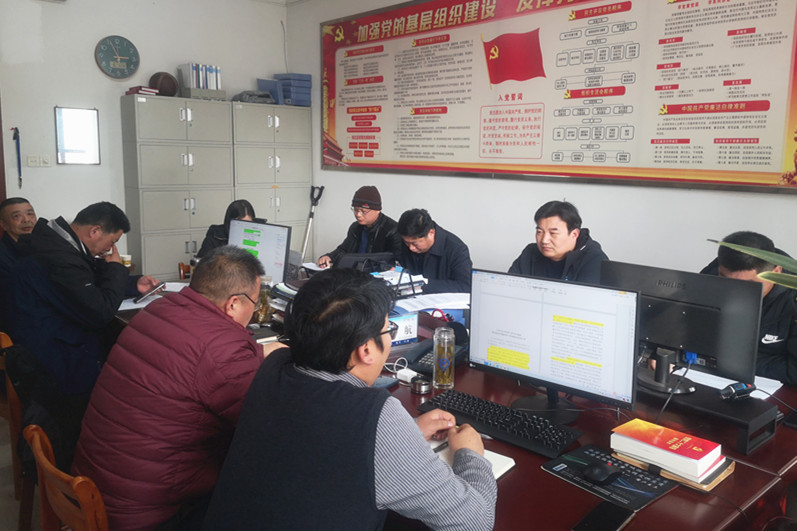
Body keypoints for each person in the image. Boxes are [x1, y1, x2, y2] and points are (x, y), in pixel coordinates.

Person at [202, 268, 496, 530]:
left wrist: (405, 435)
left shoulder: (274, 367)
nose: (390, 338)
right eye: (388, 329)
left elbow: (316, 443)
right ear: (366, 349)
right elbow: (474, 521)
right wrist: (469, 454)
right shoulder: (376, 414)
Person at [73, 245, 272, 530]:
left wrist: (253, 354)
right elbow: (262, 424)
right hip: (143, 513)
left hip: (95, 484)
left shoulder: (158, 309)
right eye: (255, 301)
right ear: (233, 304)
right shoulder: (222, 350)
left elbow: (197, 361)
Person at [8, 202, 160, 470]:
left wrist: (131, 283)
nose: (110, 250)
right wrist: (116, 269)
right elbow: (99, 312)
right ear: (95, 231)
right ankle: (93, 466)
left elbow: (85, 279)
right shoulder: (57, 257)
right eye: (112, 242)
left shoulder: (56, 242)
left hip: (45, 344)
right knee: (126, 375)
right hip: (52, 362)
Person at [701, 231, 797, 385]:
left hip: (772, 389)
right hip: (708, 377)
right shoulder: (712, 276)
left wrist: (728, 360)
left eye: (748, 285)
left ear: (776, 272)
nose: (735, 292)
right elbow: (688, 328)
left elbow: (794, 371)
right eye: (725, 280)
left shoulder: (793, 300)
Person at [509, 200, 607, 283]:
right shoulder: (530, 253)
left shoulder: (593, 259)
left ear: (574, 234)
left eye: (553, 233)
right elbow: (509, 286)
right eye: (539, 232)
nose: (544, 240)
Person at [316, 185, 403, 269]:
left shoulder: (393, 230)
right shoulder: (355, 227)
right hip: (355, 273)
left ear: (377, 210)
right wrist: (329, 257)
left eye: (363, 211)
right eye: (355, 209)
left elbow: (397, 262)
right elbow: (343, 250)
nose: (358, 214)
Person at [397, 208, 473, 293]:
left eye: (415, 244)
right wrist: (396, 270)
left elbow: (465, 285)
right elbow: (400, 267)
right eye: (407, 243)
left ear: (431, 233)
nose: (411, 248)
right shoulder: (406, 241)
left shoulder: (456, 249)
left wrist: (423, 284)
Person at [0, 197, 37, 331]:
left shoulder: (44, 247)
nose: (26, 220)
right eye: (17, 216)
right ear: (3, 224)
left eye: (30, 214)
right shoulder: (2, 255)